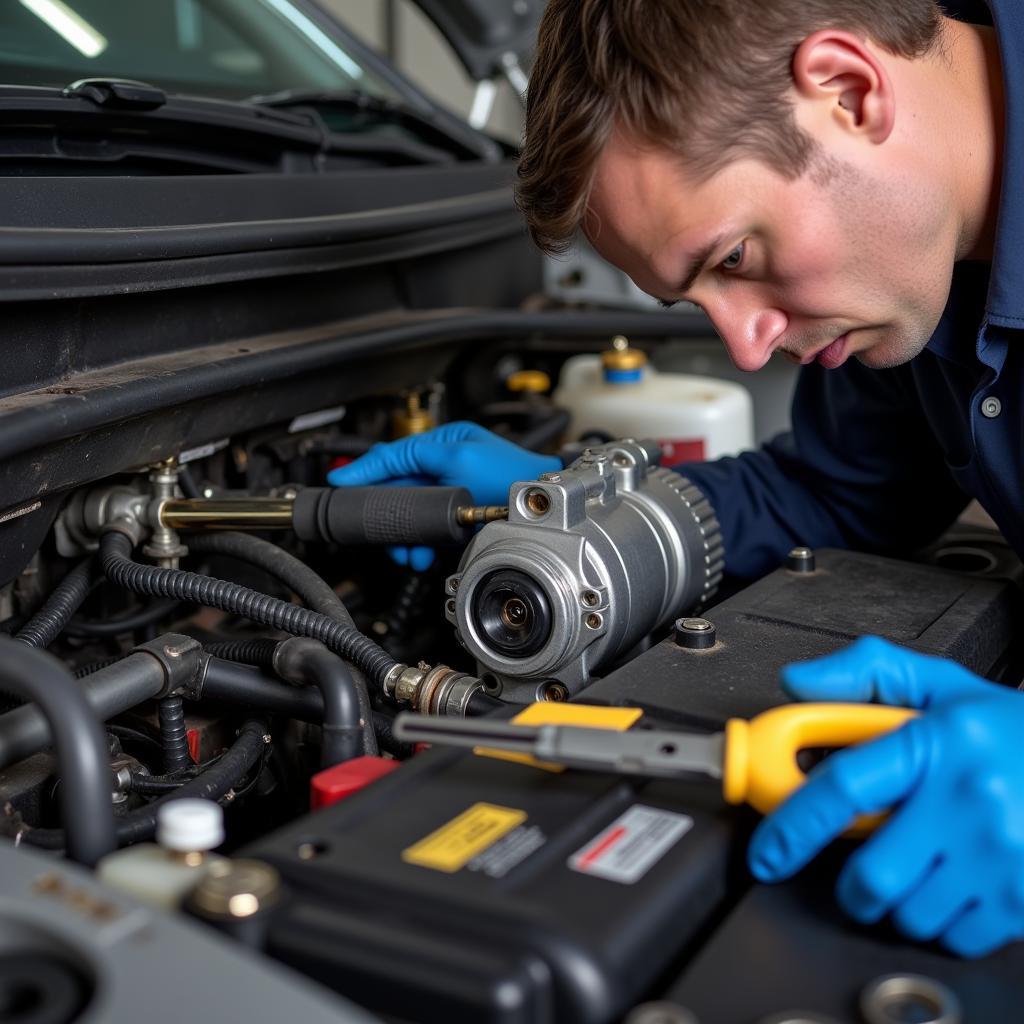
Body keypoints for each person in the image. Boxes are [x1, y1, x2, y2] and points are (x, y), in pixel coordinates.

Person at [328, 1, 1024, 957]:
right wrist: (600, 519)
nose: (746, 348)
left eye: (735, 257)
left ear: (849, 92)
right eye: (697, 295)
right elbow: (843, 495)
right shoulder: (913, 264)